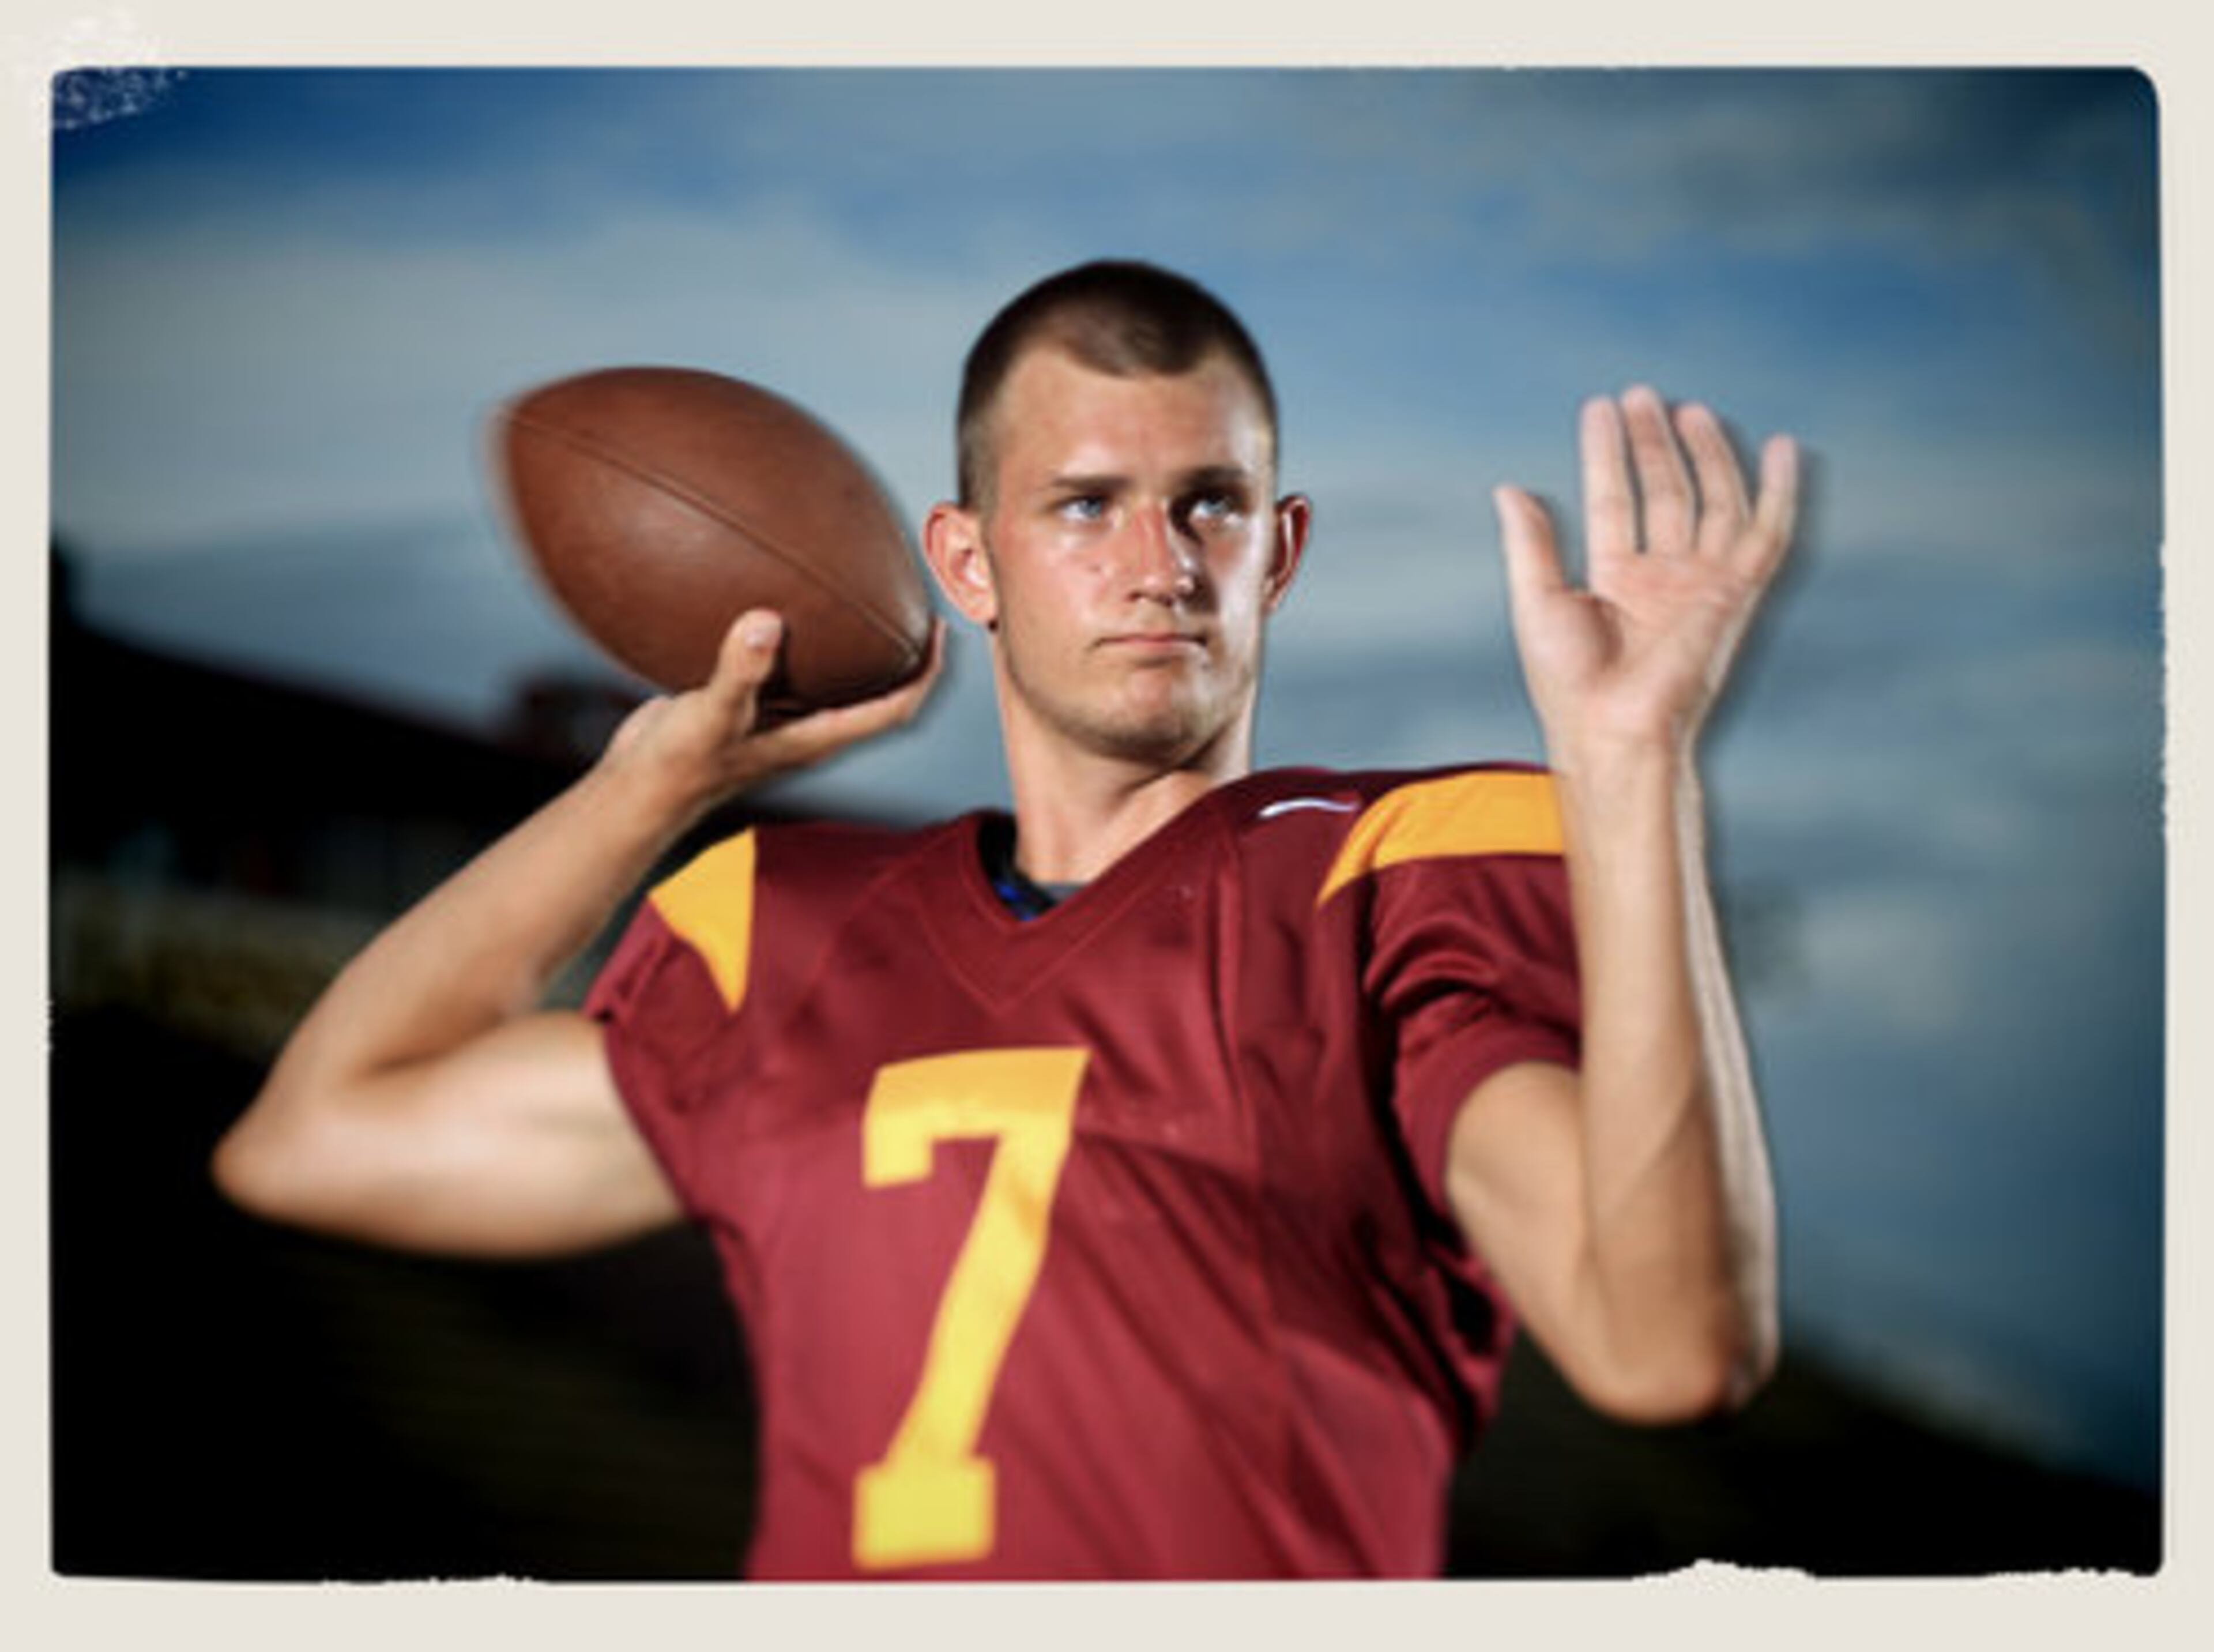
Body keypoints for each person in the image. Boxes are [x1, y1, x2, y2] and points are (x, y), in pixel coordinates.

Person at [213, 259, 1797, 1579]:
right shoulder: (787, 934)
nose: (1158, 565)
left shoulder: (1375, 886)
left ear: (1282, 548)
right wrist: (644, 791)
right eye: (1086, 504)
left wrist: (1629, 763)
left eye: (1212, 505)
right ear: (965, 558)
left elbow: (1663, 1345)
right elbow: (310, 1140)